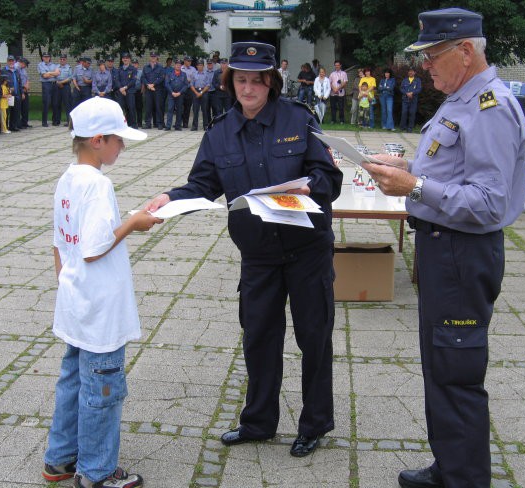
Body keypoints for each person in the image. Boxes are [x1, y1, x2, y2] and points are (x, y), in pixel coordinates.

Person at [146, 41, 342, 458]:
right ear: (230, 81)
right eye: (241, 79)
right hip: (259, 257)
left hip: (308, 252)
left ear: (271, 82)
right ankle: (258, 422)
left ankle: (314, 424)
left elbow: (329, 177)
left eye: (257, 80)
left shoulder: (299, 119)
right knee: (259, 339)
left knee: (314, 338)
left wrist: (311, 185)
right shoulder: (219, 132)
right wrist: (169, 198)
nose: (249, 88)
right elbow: (201, 185)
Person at [362, 8, 525, 488]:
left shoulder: (489, 108)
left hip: (463, 253)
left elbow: (489, 203)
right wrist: (408, 163)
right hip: (442, 250)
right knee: (441, 365)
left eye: (433, 56)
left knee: (456, 372)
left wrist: (413, 185)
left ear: (466, 51)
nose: (424, 68)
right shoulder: (462, 97)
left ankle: (465, 479)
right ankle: (450, 466)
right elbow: (456, 169)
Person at [42, 96, 162, 488]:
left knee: (73, 380)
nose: (122, 147)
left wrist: (65, 285)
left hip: (77, 301)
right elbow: (94, 248)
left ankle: (60, 458)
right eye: (118, 140)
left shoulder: (67, 177)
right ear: (97, 140)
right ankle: (97, 472)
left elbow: (62, 242)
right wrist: (134, 224)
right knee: (103, 389)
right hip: (100, 310)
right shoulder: (98, 185)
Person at [141, 52, 164, 129]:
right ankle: (148, 123)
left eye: (154, 56)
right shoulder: (145, 67)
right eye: (152, 56)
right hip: (148, 90)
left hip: (157, 90)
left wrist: (153, 84)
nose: (153, 58)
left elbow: (161, 77)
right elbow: (143, 78)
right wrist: (148, 85)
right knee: (148, 107)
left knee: (158, 107)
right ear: (150, 57)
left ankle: (159, 123)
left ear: (157, 57)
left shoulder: (160, 67)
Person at [163, 58, 188, 131]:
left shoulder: (184, 74)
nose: (178, 66)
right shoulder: (169, 73)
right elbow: (166, 84)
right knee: (170, 109)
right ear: (174, 65)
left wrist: (180, 92)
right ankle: (168, 126)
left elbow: (186, 85)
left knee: (179, 110)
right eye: (177, 64)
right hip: (171, 94)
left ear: (181, 66)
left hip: (180, 95)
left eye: (179, 65)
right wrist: (172, 92)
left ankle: (178, 125)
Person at [38, 52, 60, 127]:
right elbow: (44, 76)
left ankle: (55, 121)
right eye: (45, 57)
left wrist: (49, 73)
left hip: (54, 84)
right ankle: (44, 122)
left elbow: (57, 73)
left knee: (55, 103)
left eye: (48, 57)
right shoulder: (40, 65)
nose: (46, 58)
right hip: (46, 85)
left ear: (50, 57)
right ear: (43, 58)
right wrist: (53, 73)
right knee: (46, 103)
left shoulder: (54, 65)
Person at [116, 53, 138, 128]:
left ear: (129, 59)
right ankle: (121, 124)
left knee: (131, 108)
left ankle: (133, 124)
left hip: (130, 91)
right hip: (121, 92)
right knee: (120, 108)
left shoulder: (133, 69)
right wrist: (121, 88)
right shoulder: (119, 69)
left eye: (127, 58)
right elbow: (117, 80)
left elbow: (133, 80)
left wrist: (125, 88)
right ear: (122, 59)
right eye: (124, 58)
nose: (125, 59)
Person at [190, 59, 210, 131]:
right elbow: (191, 85)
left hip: (204, 92)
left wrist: (201, 93)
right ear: (196, 66)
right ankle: (194, 126)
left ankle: (205, 126)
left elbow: (208, 86)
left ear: (203, 66)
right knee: (195, 110)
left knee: (204, 110)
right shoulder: (194, 74)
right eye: (198, 65)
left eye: (201, 65)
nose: (199, 66)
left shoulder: (206, 74)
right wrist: (196, 93)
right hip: (195, 91)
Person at [400, 67, 422, 133]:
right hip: (405, 99)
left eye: (412, 71)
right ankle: (402, 127)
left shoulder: (418, 80)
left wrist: (412, 93)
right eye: (409, 71)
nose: (410, 72)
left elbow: (419, 89)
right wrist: (406, 93)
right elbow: (401, 88)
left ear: (415, 73)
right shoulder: (405, 80)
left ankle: (410, 128)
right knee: (404, 112)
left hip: (413, 100)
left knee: (412, 113)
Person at [54, 54, 73, 126]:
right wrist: (58, 83)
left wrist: (61, 82)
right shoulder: (56, 67)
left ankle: (69, 121)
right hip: (57, 86)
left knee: (67, 104)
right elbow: (54, 76)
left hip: (65, 86)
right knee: (57, 103)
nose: (62, 60)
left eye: (64, 59)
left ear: (66, 60)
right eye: (61, 59)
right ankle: (57, 121)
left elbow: (70, 77)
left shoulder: (69, 68)